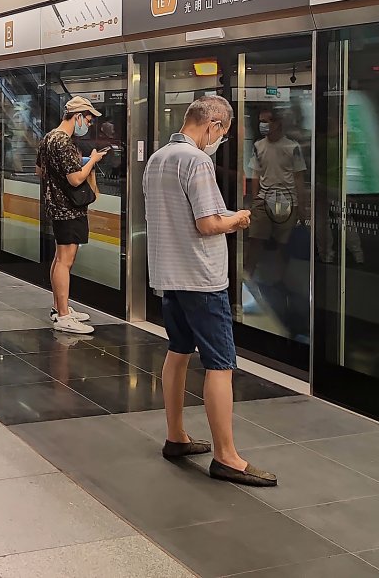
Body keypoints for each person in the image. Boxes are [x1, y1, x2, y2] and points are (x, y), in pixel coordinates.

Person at [144, 95, 277, 488]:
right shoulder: (197, 161)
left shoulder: (157, 158)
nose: (219, 141)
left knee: (179, 352)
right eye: (222, 133)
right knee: (221, 363)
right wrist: (237, 218)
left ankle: (176, 436)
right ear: (213, 125)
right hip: (202, 279)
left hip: (169, 275)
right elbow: (207, 223)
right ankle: (227, 457)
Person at [35, 96, 107, 335]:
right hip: (69, 207)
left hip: (55, 205)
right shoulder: (64, 142)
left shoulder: (47, 139)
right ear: (77, 117)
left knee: (59, 258)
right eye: (86, 119)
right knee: (66, 260)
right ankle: (64, 315)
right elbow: (75, 178)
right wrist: (92, 161)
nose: (87, 123)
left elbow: (39, 171)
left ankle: (60, 307)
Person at [242, 108, 308, 337]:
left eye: (266, 121)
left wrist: (301, 206)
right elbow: (255, 175)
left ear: (277, 123)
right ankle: (246, 283)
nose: (263, 126)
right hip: (264, 199)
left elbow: (299, 178)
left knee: (282, 244)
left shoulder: (292, 147)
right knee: (255, 241)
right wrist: (255, 199)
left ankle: (279, 284)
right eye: (261, 121)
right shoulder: (259, 146)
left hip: (286, 199)